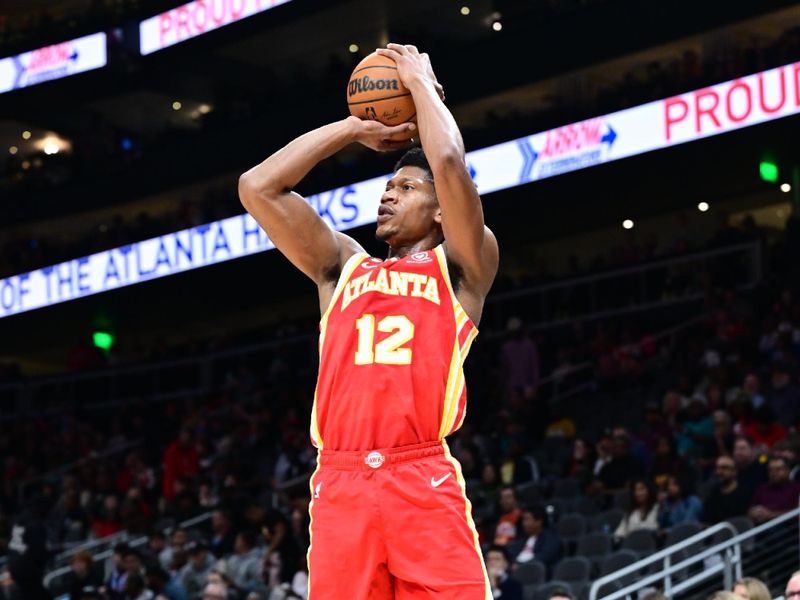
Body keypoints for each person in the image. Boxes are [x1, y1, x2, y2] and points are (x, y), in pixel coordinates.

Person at [239, 43, 498, 600]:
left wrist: (418, 84)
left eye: (406, 188)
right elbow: (257, 187)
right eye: (386, 188)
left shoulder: (460, 268)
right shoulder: (341, 269)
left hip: (421, 477)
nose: (388, 196)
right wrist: (354, 129)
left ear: (438, 209)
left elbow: (449, 163)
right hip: (340, 480)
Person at [748, 455, 800, 523]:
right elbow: (750, 510)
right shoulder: (762, 489)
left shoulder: (797, 488)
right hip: (762, 527)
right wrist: (753, 513)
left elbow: (797, 513)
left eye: (778, 469)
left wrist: (771, 515)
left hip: (789, 528)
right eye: (770, 470)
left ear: (788, 470)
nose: (774, 473)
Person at [703, 456, 752, 524]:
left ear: (734, 471)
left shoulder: (744, 492)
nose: (719, 472)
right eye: (717, 468)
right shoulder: (713, 492)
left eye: (724, 468)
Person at [513, 505, 562, 572]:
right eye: (523, 520)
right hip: (515, 569)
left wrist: (522, 566)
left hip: (533, 571)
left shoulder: (550, 538)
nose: (523, 523)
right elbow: (512, 554)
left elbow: (545, 556)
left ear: (538, 522)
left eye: (527, 519)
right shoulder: (523, 539)